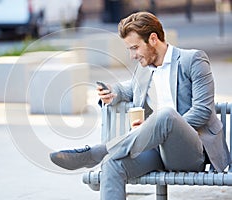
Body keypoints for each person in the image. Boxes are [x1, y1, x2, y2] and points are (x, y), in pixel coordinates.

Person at [50, 11, 231, 200]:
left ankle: (97, 152)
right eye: (129, 49)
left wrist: (161, 127)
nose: (132, 55)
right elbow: (130, 88)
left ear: (153, 39)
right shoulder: (144, 70)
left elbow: (202, 111)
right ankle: (105, 155)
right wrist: (114, 92)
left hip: (192, 153)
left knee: (166, 116)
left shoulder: (193, 60)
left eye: (135, 48)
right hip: (155, 152)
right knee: (112, 163)